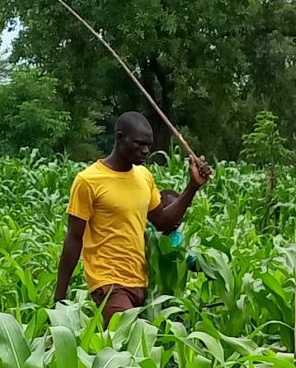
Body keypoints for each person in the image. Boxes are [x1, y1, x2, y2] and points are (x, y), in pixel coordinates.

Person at [54, 111, 213, 317]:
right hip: (108, 283)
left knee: (133, 345)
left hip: (140, 282)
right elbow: (74, 239)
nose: (145, 151)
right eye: (139, 144)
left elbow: (163, 222)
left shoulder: (144, 177)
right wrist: (59, 295)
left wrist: (192, 186)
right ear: (120, 138)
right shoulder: (89, 180)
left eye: (149, 145)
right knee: (129, 341)